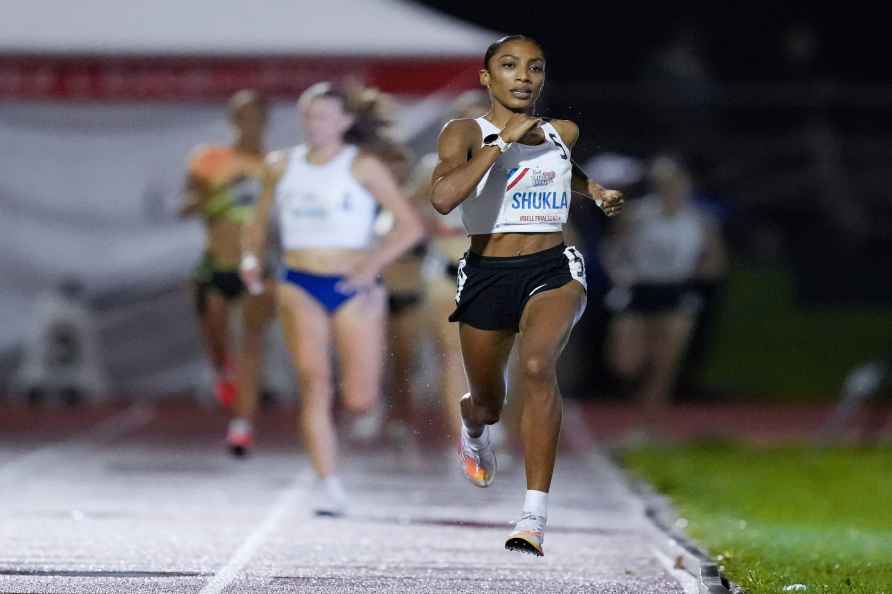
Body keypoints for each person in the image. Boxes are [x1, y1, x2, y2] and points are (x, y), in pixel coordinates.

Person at [429, 35, 624, 556]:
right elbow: (444, 198)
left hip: (553, 268)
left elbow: (562, 167)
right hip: (487, 274)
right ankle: (474, 425)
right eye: (510, 66)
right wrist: (500, 143)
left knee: (537, 366)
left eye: (534, 68)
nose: (524, 76)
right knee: (490, 403)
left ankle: (532, 517)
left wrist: (595, 190)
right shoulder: (466, 131)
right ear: (486, 77)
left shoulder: (564, 132)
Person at [241, 82, 425, 516]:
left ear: (344, 121)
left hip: (351, 287)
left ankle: (369, 403)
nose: (314, 124)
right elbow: (257, 221)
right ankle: (329, 484)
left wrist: (371, 265)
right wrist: (251, 258)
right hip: (298, 280)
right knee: (314, 383)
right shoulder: (279, 165)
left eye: (323, 116)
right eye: (308, 116)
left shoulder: (362, 166)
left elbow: (410, 227)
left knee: (357, 399)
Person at [180, 90, 276, 456]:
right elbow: (184, 205)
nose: (247, 125)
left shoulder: (274, 164)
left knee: (251, 344)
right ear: (232, 120)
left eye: (254, 117)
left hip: (256, 267)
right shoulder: (209, 160)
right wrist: (215, 197)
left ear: (265, 121)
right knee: (218, 337)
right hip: (215, 264)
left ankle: (241, 426)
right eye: (240, 117)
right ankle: (222, 372)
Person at [602, 155, 726, 440]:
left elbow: (716, 261)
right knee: (626, 362)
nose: (670, 188)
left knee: (664, 364)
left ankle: (647, 424)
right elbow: (614, 249)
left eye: (676, 183)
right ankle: (635, 399)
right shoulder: (637, 214)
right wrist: (620, 275)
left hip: (676, 291)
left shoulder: (700, 220)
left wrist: (694, 273)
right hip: (639, 288)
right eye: (664, 183)